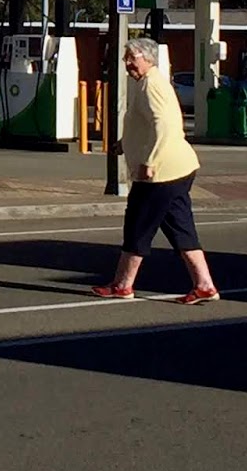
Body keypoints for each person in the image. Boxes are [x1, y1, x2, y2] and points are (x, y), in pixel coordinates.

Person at [92, 36, 220, 304]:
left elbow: (165, 126)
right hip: (175, 169)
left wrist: (151, 161)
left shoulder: (153, 85)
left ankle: (123, 284)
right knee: (180, 229)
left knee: (138, 225)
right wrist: (124, 144)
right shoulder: (146, 83)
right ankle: (205, 285)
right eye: (126, 58)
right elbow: (146, 125)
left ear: (148, 59)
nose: (128, 63)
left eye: (132, 58)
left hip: (162, 172)